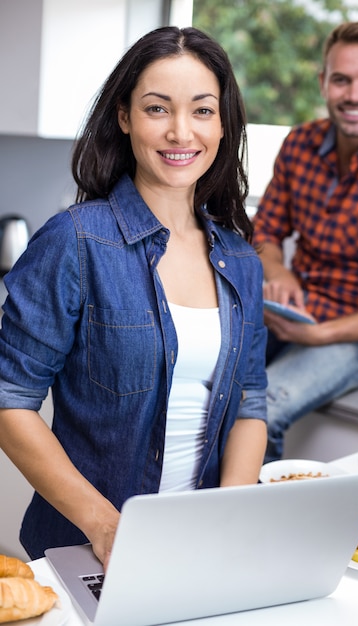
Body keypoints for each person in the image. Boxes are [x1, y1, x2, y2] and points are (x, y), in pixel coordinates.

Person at [0, 26, 268, 568]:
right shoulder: (75, 241)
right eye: (156, 109)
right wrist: (106, 526)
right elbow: (9, 398)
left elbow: (249, 403)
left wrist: (230, 516)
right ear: (124, 118)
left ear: (222, 125)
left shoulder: (241, 260)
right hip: (86, 547)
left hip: (197, 548)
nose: (179, 132)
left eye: (201, 111)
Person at [252, 21, 358, 463]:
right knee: (203, 386)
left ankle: (265, 531)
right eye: (342, 79)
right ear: (324, 82)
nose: (354, 95)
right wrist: (280, 271)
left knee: (260, 413)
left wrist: (321, 334)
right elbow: (264, 231)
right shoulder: (300, 144)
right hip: (291, 314)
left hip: (355, 335)